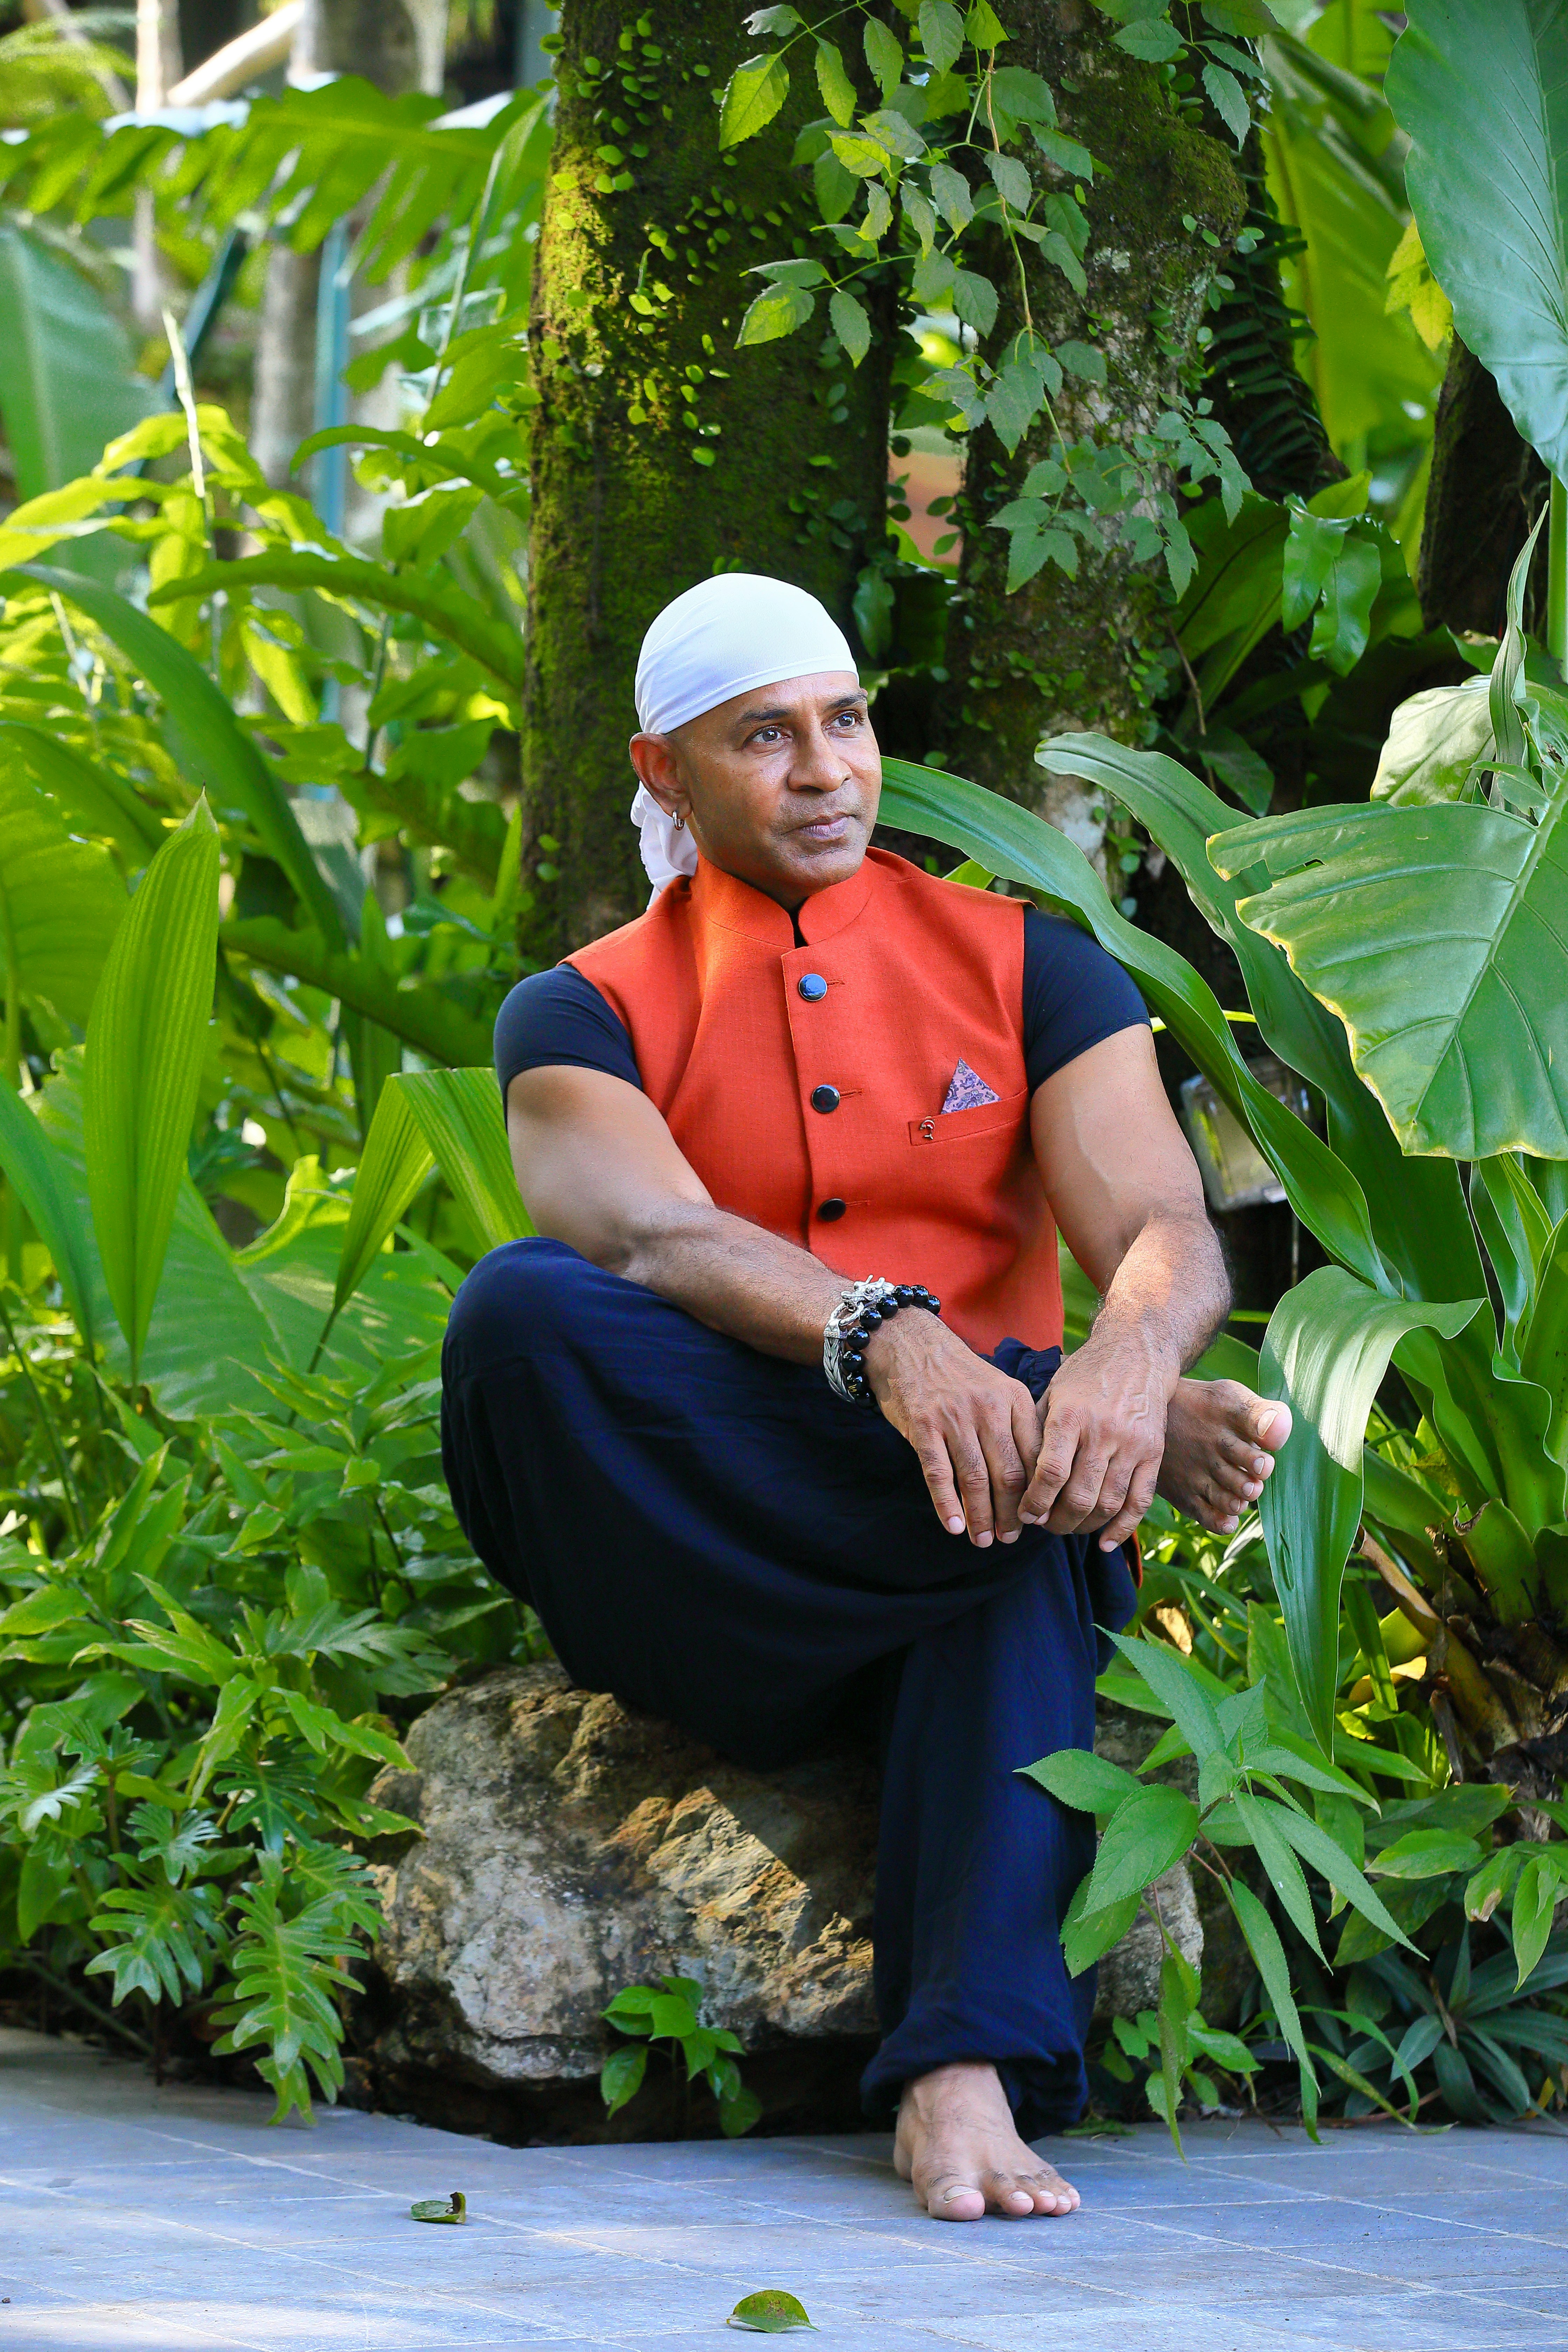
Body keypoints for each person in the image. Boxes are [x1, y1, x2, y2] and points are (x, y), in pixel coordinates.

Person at [441, 575, 1290, 2224]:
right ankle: (1022, 1426)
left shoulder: (1029, 969)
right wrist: (894, 1342)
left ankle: (959, 2072)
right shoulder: (582, 1005)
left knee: (1005, 1516)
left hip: (971, 1537)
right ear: (662, 770)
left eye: (847, 720)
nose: (826, 768)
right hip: (706, 1560)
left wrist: (1121, 1365)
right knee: (524, 1318)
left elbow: (1164, 1230)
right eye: (765, 736)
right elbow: (648, 1229)